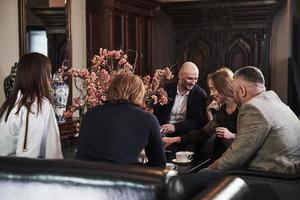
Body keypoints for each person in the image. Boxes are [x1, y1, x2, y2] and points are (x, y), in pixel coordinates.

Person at [180, 66, 300, 199]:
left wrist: (207, 169)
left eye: (234, 90)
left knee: (185, 181)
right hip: (291, 179)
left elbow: (234, 158)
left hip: (270, 179)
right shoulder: (277, 103)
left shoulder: (253, 108)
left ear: (242, 91)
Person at [75, 73, 166, 167]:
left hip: (82, 177)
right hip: (120, 178)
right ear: (139, 93)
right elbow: (159, 165)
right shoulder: (147, 119)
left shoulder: (90, 114)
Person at [163, 69, 238, 160]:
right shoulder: (221, 111)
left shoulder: (242, 108)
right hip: (222, 158)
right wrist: (173, 140)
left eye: (213, 89)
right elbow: (204, 132)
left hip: (236, 161)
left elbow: (253, 137)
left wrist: (231, 135)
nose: (211, 93)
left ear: (223, 87)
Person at [0, 53, 63, 159]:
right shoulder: (36, 105)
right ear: (41, 77)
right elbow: (27, 155)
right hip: (19, 171)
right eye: (48, 74)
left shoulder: (9, 103)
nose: (50, 80)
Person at [154, 61, 208, 136]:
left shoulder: (200, 94)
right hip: (161, 130)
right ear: (180, 76)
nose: (193, 82)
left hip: (185, 134)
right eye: (190, 78)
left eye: (196, 79)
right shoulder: (165, 90)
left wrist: (175, 127)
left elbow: (197, 121)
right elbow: (155, 114)